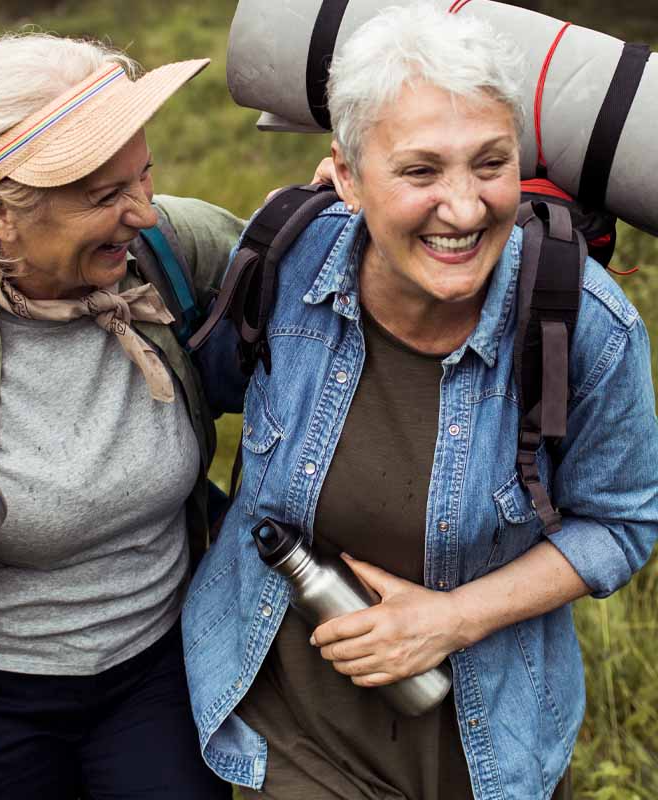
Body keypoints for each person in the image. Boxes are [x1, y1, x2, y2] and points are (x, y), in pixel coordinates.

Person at [181, 5, 658, 799]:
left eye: (490, 163)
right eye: (420, 171)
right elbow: (199, 403)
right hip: (295, 737)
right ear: (344, 174)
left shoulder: (583, 325)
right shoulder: (283, 267)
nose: (466, 209)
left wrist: (451, 619)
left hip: (497, 745)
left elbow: (625, 520)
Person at [0, 32, 251, 800]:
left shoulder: (169, 248)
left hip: (158, 669)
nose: (142, 210)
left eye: (144, 174)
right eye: (104, 197)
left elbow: (325, 288)